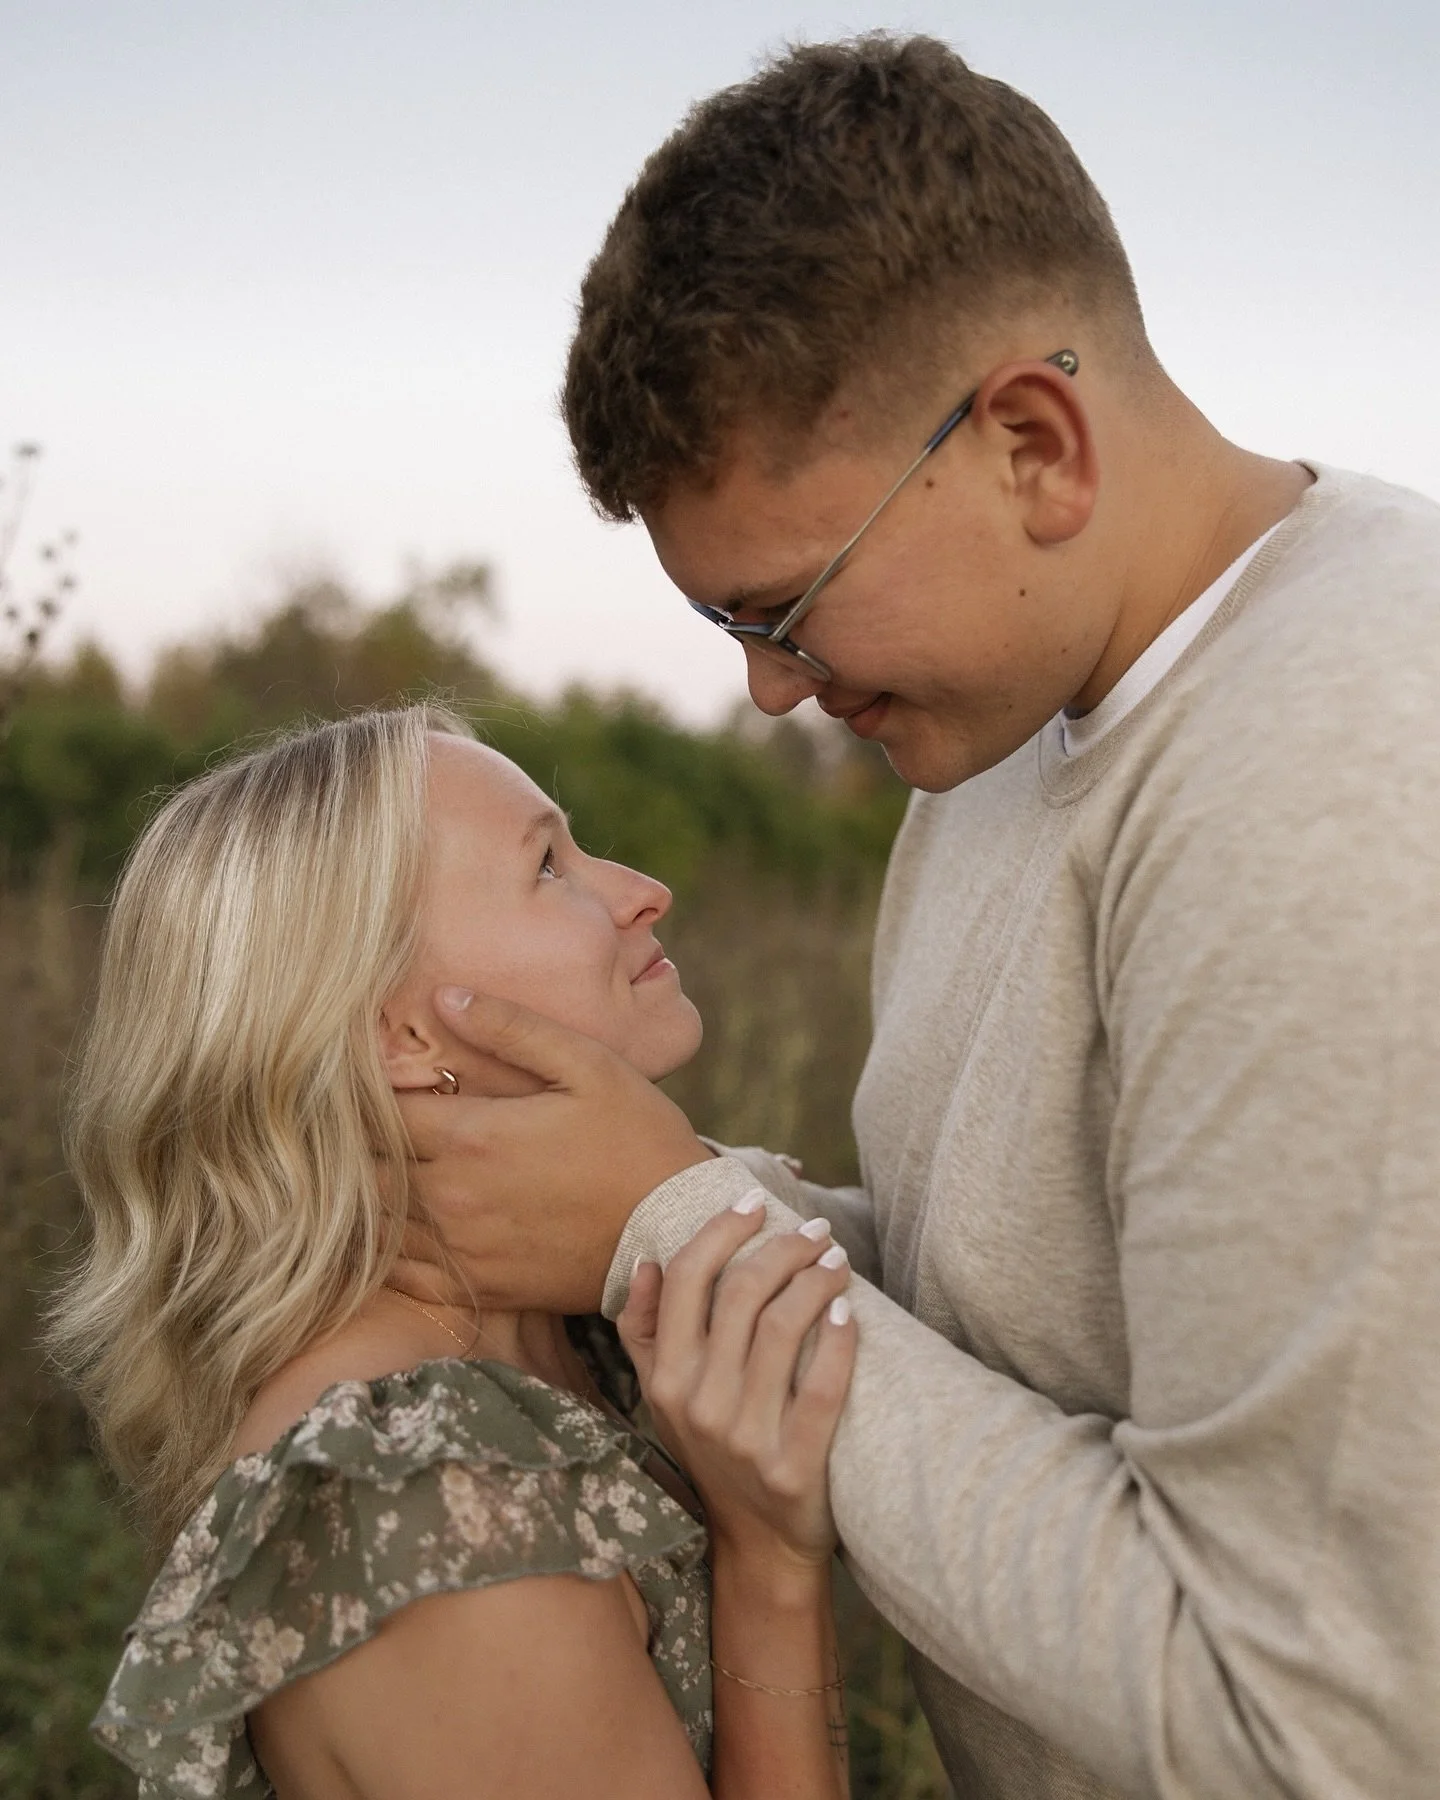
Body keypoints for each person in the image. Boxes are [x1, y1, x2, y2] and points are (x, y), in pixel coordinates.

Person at [388, 34, 1440, 1800]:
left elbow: (1320, 1732)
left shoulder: (1346, 773)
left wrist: (668, 1229)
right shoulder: (1000, 724)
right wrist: (673, 1196)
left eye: (787, 608)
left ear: (1033, 443)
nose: (769, 697)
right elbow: (1037, 1295)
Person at [50, 703, 860, 1800]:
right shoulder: (430, 1502)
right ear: (403, 1034)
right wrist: (772, 1570)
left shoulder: (567, 1324)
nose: (640, 889)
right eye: (548, 866)